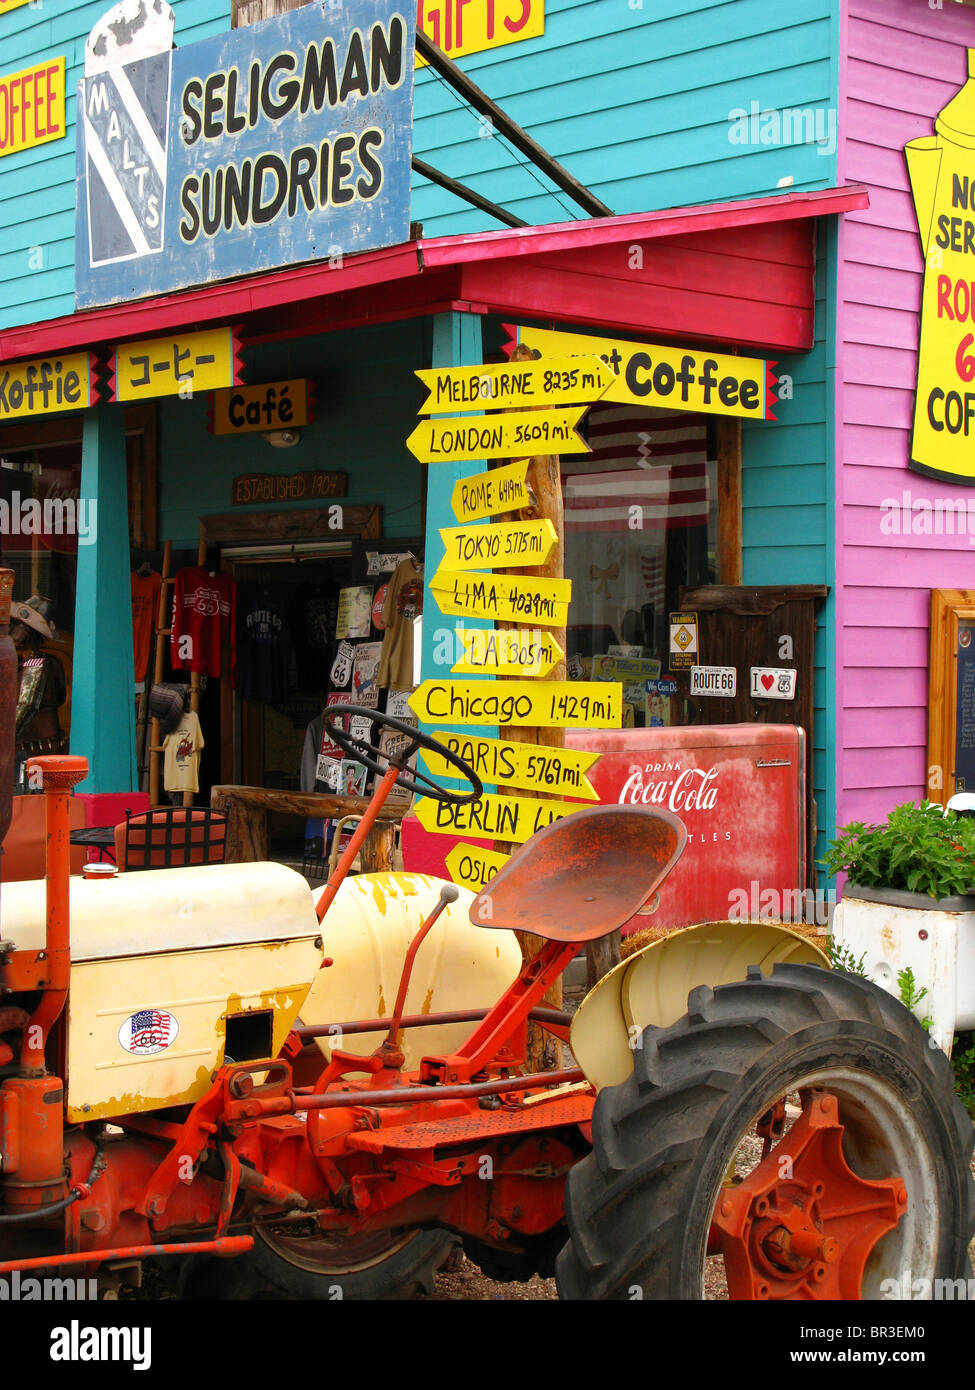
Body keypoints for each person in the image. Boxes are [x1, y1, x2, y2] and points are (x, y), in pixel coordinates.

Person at [10, 594, 66, 760]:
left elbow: (26, 705)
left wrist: (6, 734)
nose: (13, 628)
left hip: (36, 748)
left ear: (27, 630)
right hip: (38, 746)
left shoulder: (35, 663)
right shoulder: (37, 661)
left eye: (18, 624)